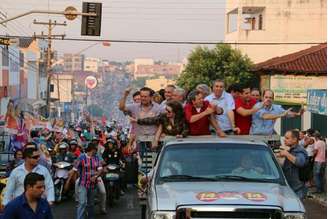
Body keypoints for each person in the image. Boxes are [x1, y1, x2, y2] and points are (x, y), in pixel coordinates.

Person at [73, 143, 104, 218]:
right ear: (92, 149)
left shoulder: (96, 157)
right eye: (95, 149)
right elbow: (75, 169)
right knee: (82, 202)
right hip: (83, 183)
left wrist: (96, 176)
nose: (96, 151)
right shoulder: (81, 157)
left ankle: (92, 216)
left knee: (91, 203)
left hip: (93, 184)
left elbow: (100, 169)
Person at [278, 130, 308, 199]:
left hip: (297, 189)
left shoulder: (300, 150)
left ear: (294, 139)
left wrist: (286, 154)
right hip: (291, 187)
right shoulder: (292, 150)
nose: (284, 140)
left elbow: (300, 162)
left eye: (287, 138)